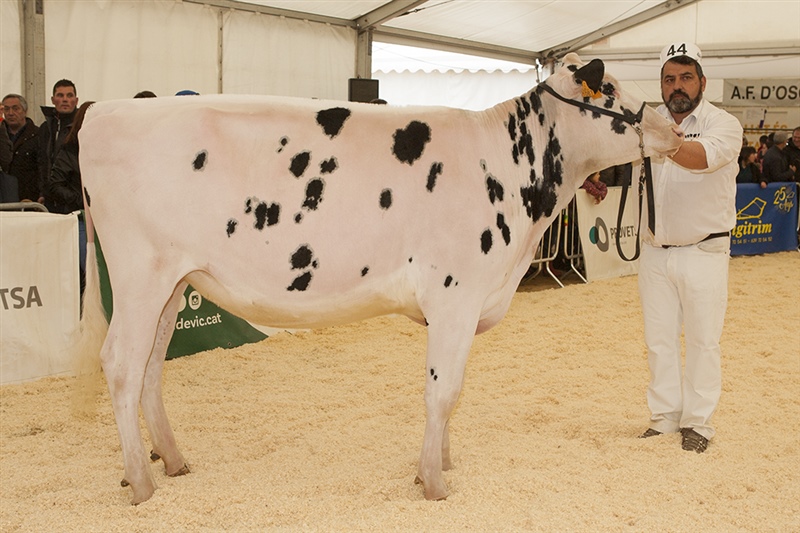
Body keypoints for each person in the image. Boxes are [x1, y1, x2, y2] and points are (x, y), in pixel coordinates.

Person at [637, 43, 742, 453]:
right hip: (655, 251)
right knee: (658, 339)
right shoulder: (647, 121)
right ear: (661, 85)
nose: (676, 86)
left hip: (704, 251)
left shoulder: (724, 123)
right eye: (669, 79)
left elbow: (701, 158)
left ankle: (699, 423)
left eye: (685, 77)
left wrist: (659, 139)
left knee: (702, 341)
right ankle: (664, 417)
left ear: (702, 81)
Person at [48, 101, 93, 298]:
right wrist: (81, 200)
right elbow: (54, 184)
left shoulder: (108, 150)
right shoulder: (69, 150)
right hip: (80, 219)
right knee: (91, 271)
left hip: (105, 222)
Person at [38, 79, 79, 210]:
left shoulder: (82, 125)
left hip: (75, 200)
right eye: (60, 95)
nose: (65, 99)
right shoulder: (45, 128)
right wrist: (42, 192)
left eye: (69, 95)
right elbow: (42, 162)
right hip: (50, 199)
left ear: (76, 100)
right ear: (53, 100)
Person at [2, 94, 41, 202]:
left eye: (15, 108)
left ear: (25, 111)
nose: (10, 113)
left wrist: (40, 195)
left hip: (28, 199)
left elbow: (43, 168)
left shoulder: (38, 135)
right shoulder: (1, 136)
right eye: (6, 109)